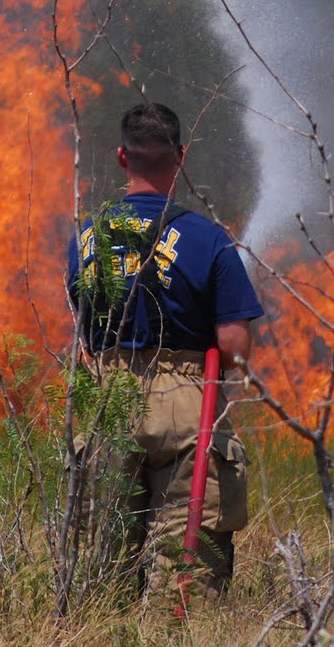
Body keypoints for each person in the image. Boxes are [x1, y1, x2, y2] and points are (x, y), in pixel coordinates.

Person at [66, 102, 264, 600]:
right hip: (186, 400)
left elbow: (81, 326)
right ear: (180, 156)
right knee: (185, 571)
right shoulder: (210, 239)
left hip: (107, 400)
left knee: (100, 567)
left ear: (121, 157)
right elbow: (235, 348)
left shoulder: (87, 237)